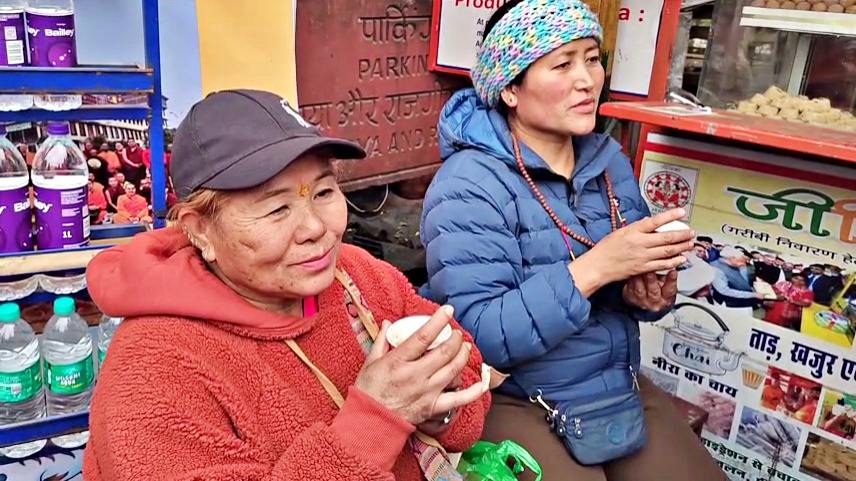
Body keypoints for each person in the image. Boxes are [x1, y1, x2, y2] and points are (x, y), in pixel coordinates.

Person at [84, 89, 490, 480]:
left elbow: (469, 378)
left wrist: (438, 409)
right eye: (277, 208)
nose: (316, 228)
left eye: (324, 192)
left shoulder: (358, 274)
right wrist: (377, 419)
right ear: (201, 231)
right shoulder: (153, 369)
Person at [419, 1, 725, 479]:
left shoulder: (608, 162)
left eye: (592, 58)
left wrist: (644, 293)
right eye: (562, 64)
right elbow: (476, 336)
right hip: (516, 395)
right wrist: (598, 267)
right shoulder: (468, 183)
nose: (587, 80)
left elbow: (630, 282)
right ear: (512, 89)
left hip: (612, 382)